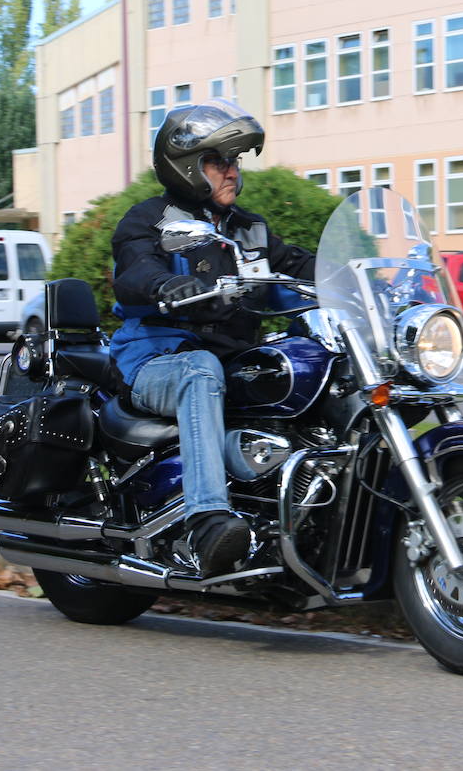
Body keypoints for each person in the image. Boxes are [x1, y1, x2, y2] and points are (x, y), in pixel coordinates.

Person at [107, 100, 316, 576]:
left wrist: (365, 281)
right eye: (219, 161)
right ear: (186, 166)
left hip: (232, 360)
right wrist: (163, 284)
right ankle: (206, 521)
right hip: (155, 359)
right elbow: (135, 268)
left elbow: (301, 268)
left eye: (235, 162)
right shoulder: (151, 221)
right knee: (199, 370)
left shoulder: (249, 229)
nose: (231, 172)